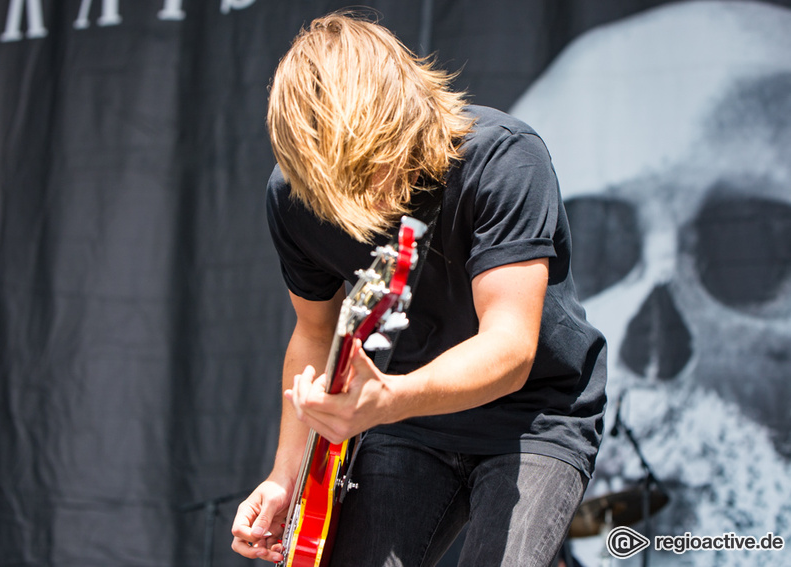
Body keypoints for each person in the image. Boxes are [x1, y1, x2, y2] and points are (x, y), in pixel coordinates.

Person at [231, 11, 606, 567]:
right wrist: (287, 476)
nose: (366, 198)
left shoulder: (502, 156)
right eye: (341, 182)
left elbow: (510, 347)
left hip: (533, 416)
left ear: (403, 117)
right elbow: (314, 332)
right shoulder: (296, 195)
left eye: (372, 169)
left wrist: (388, 399)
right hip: (405, 422)